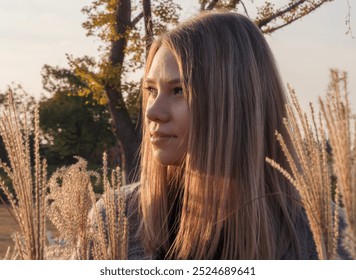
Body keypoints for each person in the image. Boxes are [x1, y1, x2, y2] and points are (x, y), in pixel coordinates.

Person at [123, 11, 328, 260]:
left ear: (236, 101)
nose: (153, 112)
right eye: (151, 90)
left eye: (179, 90)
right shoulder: (116, 222)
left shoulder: (325, 239)